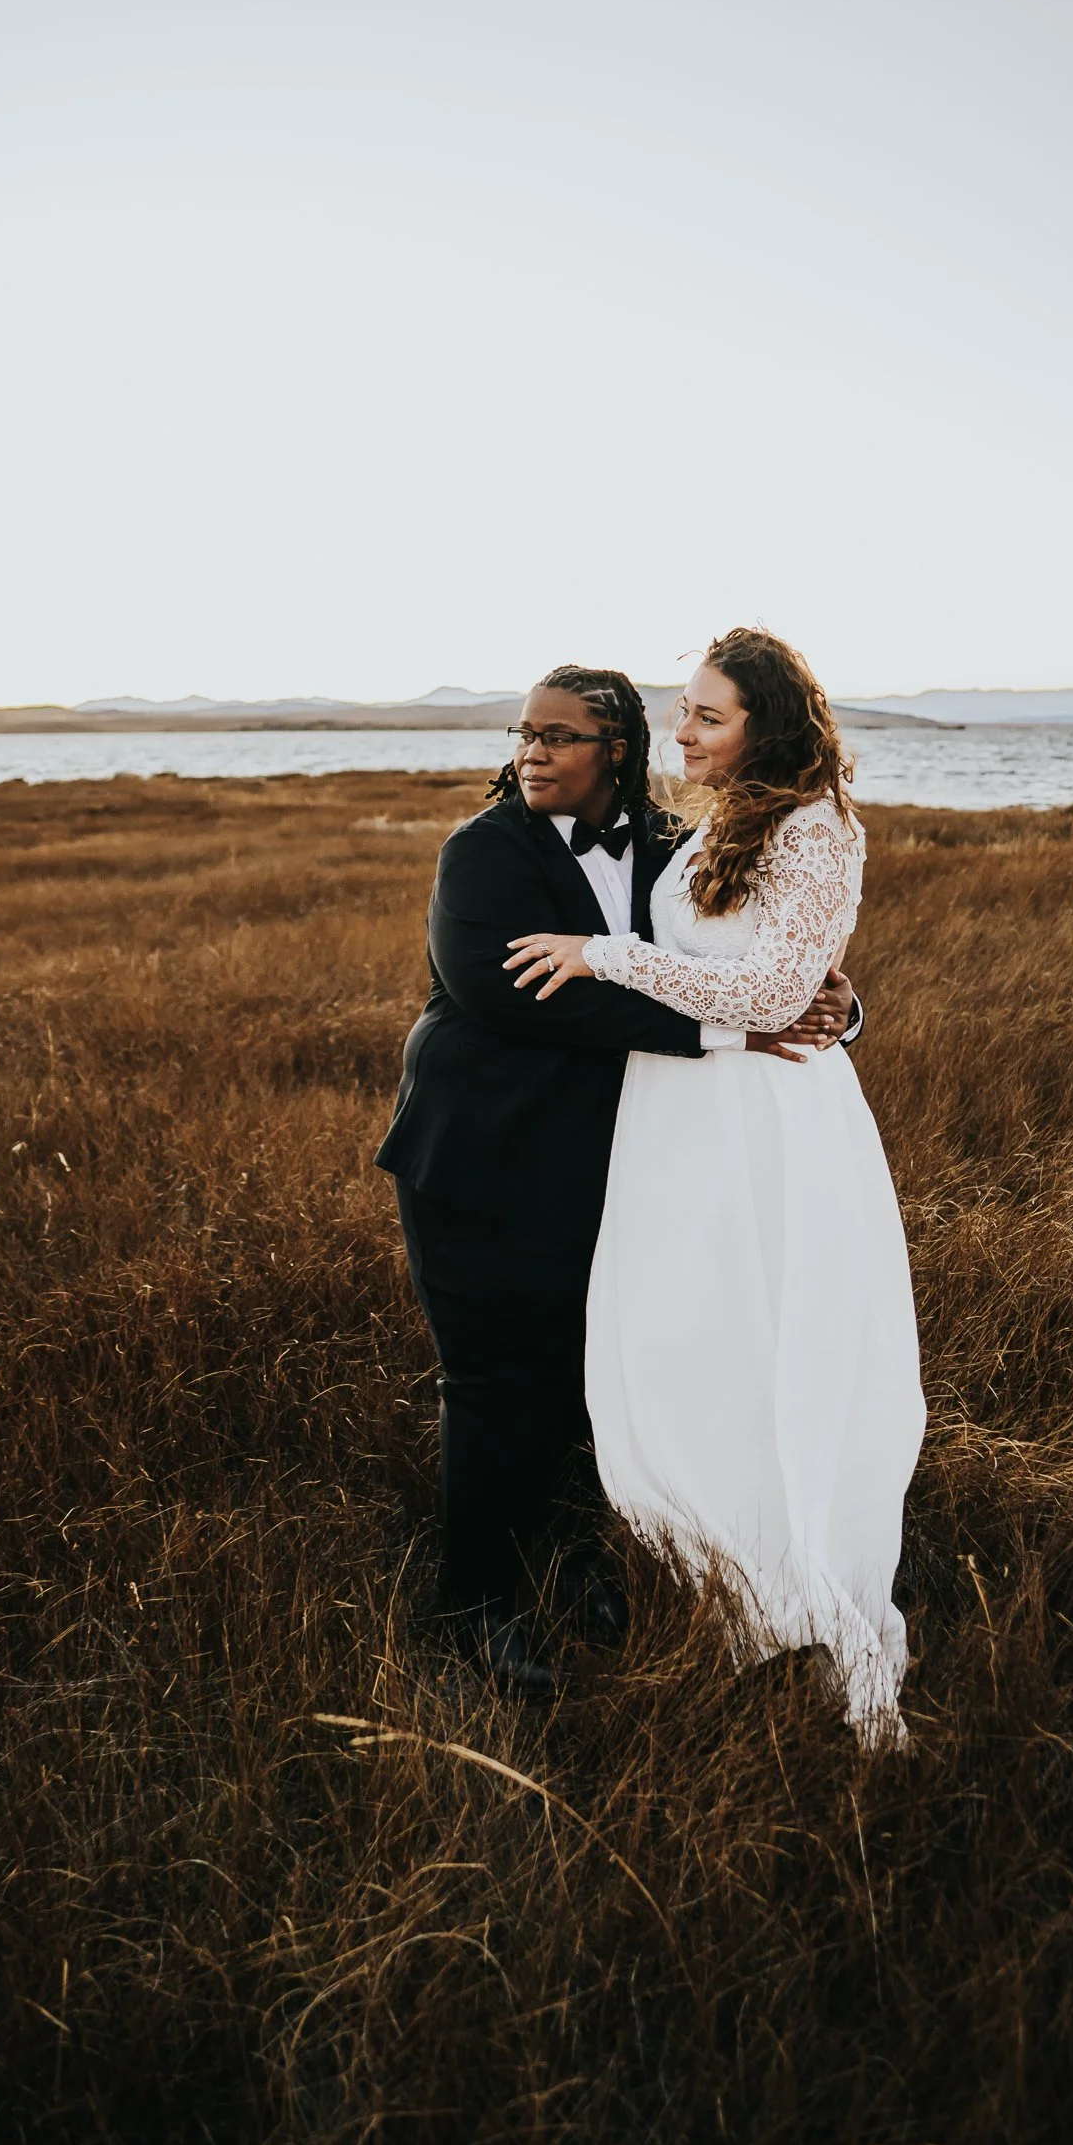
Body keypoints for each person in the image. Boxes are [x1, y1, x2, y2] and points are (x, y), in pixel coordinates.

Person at [376, 665, 862, 1694]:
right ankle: (477, 1608)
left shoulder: (670, 848)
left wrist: (828, 1007)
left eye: (560, 735)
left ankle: (575, 1562)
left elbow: (745, 954)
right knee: (496, 1386)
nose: (532, 750)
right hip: (479, 1162)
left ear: (620, 750)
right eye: (524, 732)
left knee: (592, 1385)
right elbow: (520, 1000)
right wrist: (734, 1025)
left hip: (616, 1171)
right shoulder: (481, 852)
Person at [505, 629, 925, 1746]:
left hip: (765, 1125)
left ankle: (794, 1590)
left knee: (765, 1340)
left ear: (766, 726)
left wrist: (607, 954)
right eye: (680, 711)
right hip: (678, 1124)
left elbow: (781, 986)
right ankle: (712, 1571)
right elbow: (765, 968)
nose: (679, 732)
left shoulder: (816, 824)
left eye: (706, 716)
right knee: (678, 1340)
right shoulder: (710, 822)